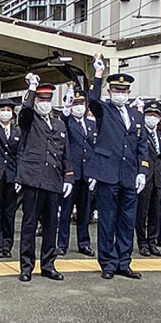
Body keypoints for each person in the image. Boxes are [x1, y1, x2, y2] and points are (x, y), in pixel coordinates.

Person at [86, 56, 149, 280]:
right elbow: (92, 100)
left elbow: (142, 146)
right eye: (116, 90)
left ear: (129, 92)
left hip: (129, 176)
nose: (120, 93)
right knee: (107, 220)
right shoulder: (104, 110)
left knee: (126, 221)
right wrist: (97, 76)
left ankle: (124, 262)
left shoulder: (137, 115)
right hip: (108, 174)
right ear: (110, 92)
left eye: (124, 90)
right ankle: (108, 263)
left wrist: (142, 171)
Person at [14, 78, 72, 281]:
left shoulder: (59, 124)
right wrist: (31, 89)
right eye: (41, 99)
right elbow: (25, 112)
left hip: (53, 180)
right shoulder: (29, 121)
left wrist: (69, 177)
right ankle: (26, 267)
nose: (45, 103)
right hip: (33, 179)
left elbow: (66, 152)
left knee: (51, 225)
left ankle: (48, 264)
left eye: (48, 99)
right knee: (29, 224)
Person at [58, 90, 97, 256]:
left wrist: (95, 173)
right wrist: (67, 106)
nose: (78, 108)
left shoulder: (92, 124)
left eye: (81, 104)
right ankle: (62, 244)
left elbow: (96, 149)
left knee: (85, 211)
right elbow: (64, 118)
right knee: (66, 211)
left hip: (87, 174)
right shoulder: (67, 123)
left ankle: (84, 243)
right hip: (71, 174)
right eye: (75, 104)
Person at [0, 98, 22, 259]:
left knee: (9, 213)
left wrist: (19, 177)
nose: (5, 113)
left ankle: (7, 245)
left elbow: (20, 154)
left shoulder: (17, 131)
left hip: (12, 176)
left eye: (8, 110)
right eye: (2, 110)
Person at [136, 100, 161, 257]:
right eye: (149, 115)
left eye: (155, 116)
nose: (152, 118)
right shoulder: (139, 133)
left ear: (160, 118)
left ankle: (152, 242)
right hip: (144, 177)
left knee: (155, 212)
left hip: (158, 177)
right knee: (142, 212)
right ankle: (142, 243)